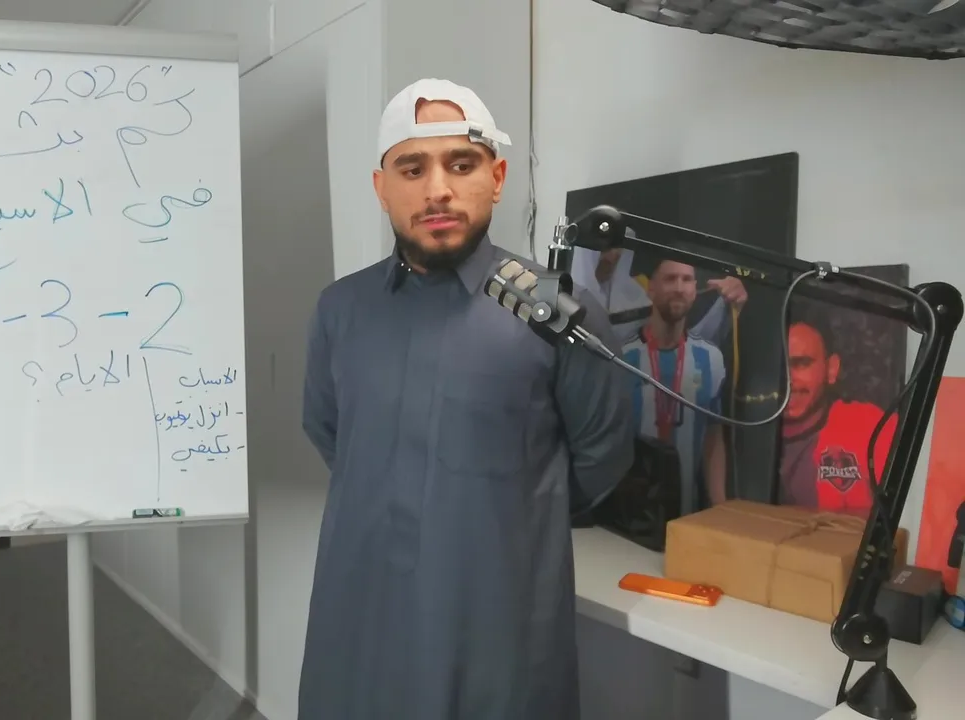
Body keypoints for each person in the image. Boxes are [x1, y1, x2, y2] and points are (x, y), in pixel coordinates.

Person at [299, 78, 634, 720]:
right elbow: (330, 431)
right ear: (381, 187)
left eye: (461, 164)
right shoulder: (340, 309)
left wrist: (504, 516)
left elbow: (601, 457)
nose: (438, 190)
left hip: (497, 624)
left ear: (497, 177)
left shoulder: (556, 310)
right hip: (361, 613)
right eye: (412, 168)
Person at [620, 259, 728, 514]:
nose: (679, 288)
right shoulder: (621, 358)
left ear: (695, 290)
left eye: (687, 280)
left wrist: (720, 504)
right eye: (670, 279)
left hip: (688, 514)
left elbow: (713, 436)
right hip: (630, 515)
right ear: (651, 288)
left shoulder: (711, 359)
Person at [778, 315, 895, 516]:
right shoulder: (740, 430)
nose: (787, 379)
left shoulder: (871, 427)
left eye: (801, 363)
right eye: (777, 365)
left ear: (831, 369)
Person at [571, 243, 747, 344]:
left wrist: (726, 306)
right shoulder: (566, 299)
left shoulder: (643, 291)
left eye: (616, 246)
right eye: (604, 248)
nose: (613, 255)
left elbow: (690, 351)